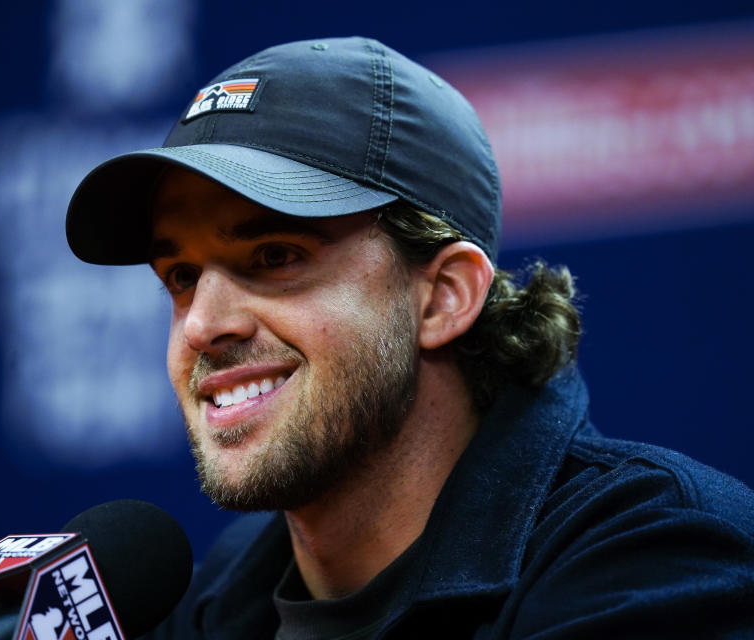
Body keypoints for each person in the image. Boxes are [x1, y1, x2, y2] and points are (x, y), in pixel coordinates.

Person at [65, 37, 754, 638]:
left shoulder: (657, 559)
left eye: (275, 256)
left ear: (444, 296)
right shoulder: (219, 597)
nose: (203, 324)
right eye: (181, 276)